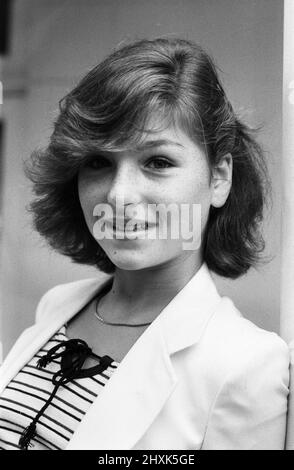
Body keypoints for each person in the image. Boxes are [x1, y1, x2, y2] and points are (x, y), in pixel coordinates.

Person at [0, 37, 289, 450]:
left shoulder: (245, 365)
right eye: (98, 162)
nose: (118, 195)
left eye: (158, 162)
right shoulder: (59, 305)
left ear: (219, 177)